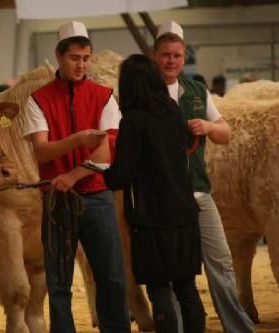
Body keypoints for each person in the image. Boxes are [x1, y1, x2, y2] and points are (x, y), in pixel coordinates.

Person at [23, 21, 130, 333]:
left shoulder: (105, 96)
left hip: (97, 196)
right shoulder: (38, 99)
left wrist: (71, 174)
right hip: (56, 201)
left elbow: (106, 152)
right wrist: (78, 139)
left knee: (111, 276)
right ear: (58, 56)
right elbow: (41, 152)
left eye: (86, 58)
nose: (81, 64)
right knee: (58, 282)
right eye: (74, 58)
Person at [152, 20, 255, 332]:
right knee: (172, 271)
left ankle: (237, 326)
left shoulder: (197, 90)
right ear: (154, 55)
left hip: (198, 192)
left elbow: (225, 132)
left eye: (177, 55)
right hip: (160, 197)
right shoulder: (144, 91)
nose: (171, 60)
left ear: (184, 58)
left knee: (220, 263)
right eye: (166, 54)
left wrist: (209, 127)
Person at [103, 54, 205, 333]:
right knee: (187, 291)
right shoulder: (173, 111)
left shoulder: (133, 121)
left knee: (160, 293)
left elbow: (121, 175)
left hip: (151, 221)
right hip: (185, 213)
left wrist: (100, 173)